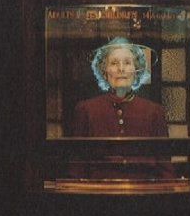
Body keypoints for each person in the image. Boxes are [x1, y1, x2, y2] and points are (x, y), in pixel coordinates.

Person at [71, 37, 174, 179]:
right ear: (104, 71)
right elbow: (76, 169)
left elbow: (165, 170)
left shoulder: (154, 112)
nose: (121, 69)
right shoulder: (86, 110)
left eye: (127, 62)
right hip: (98, 190)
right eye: (114, 63)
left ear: (136, 70)